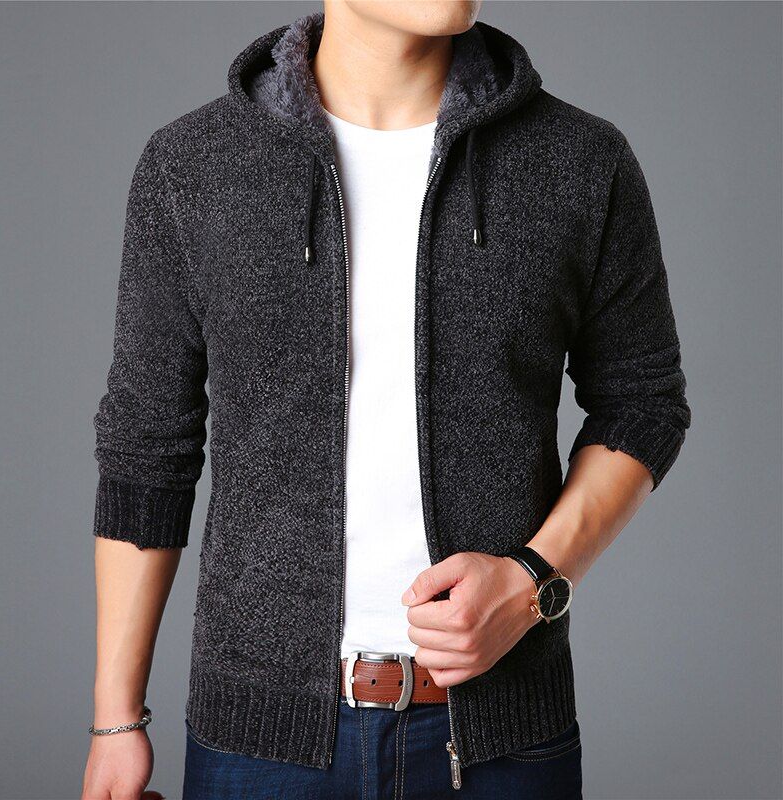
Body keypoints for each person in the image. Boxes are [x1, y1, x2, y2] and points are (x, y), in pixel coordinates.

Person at [81, 2, 690, 798]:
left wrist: (533, 580)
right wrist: (115, 720)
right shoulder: (192, 165)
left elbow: (643, 403)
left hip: (502, 741)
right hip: (259, 747)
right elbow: (145, 453)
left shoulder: (578, 159)